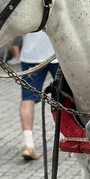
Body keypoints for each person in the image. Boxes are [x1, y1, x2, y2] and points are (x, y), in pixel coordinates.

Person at [19, 31, 58, 160]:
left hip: (31, 53)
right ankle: (72, 138)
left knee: (27, 99)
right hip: (56, 53)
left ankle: (28, 144)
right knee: (65, 97)